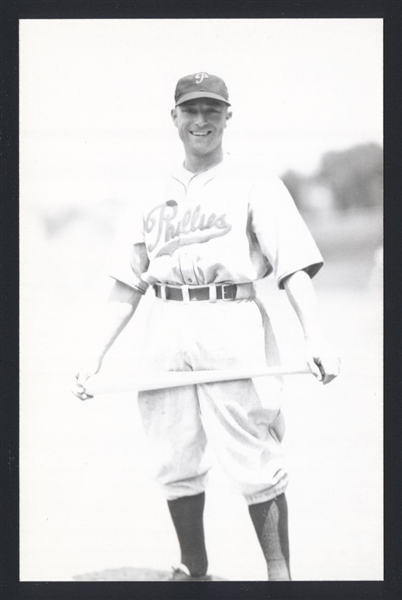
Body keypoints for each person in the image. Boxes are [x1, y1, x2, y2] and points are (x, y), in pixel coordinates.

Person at [73, 72, 340, 581]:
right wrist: (94, 355)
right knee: (172, 449)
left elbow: (293, 268)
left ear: (227, 116)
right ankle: (194, 568)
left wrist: (316, 336)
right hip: (164, 317)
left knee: (253, 450)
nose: (201, 120)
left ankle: (280, 576)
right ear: (174, 116)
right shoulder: (148, 189)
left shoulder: (256, 183)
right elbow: (126, 284)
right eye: (191, 110)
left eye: (211, 110)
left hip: (229, 316)